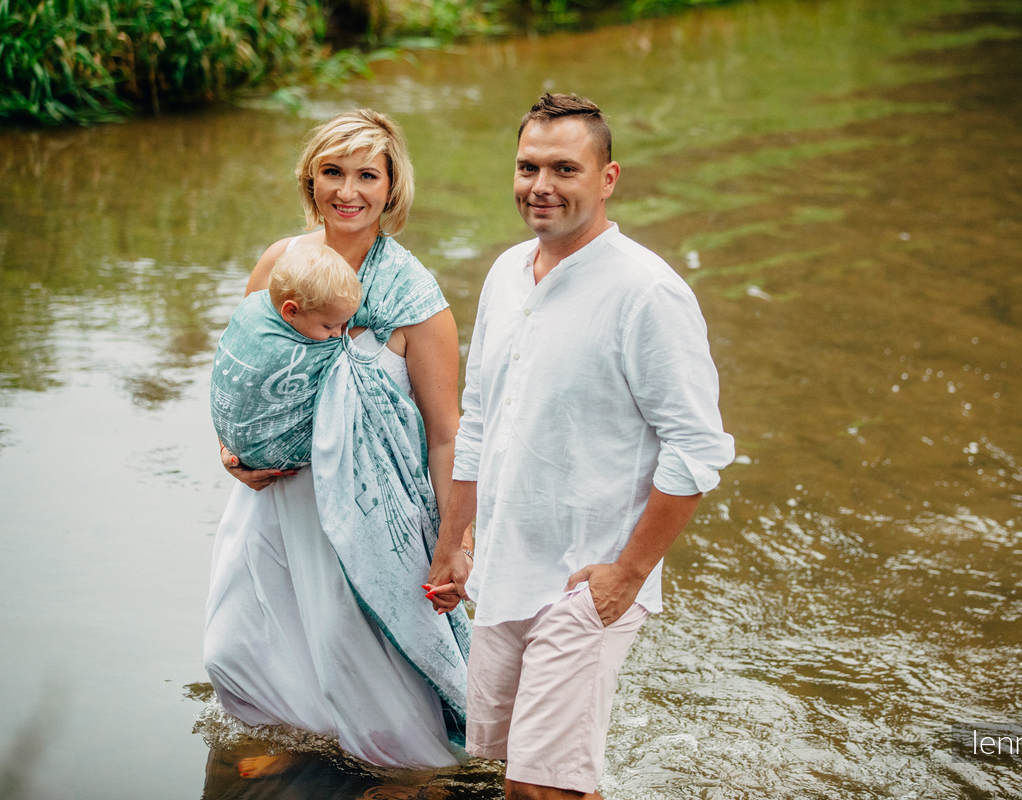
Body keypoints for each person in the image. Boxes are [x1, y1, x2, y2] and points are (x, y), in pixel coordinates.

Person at [425, 93, 735, 799]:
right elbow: (480, 421)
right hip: (505, 569)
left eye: (565, 169)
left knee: (541, 789)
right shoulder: (506, 274)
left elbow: (697, 449)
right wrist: (456, 542)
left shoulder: (647, 293)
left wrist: (627, 574)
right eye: (528, 167)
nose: (541, 186)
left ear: (608, 178)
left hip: (585, 581)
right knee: (518, 774)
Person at [203, 109, 473, 774]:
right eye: (332, 172)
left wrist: (455, 543)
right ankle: (288, 739)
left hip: (367, 510)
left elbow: (447, 435)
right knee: (242, 641)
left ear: (391, 188)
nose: (348, 191)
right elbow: (242, 368)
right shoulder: (281, 264)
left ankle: (415, 775)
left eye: (366, 175)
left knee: (358, 653)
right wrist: (229, 451)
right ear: (311, 180)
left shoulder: (415, 298)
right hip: (277, 497)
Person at [210, 241, 361, 471]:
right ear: (291, 311)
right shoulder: (287, 352)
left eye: (344, 324)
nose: (338, 334)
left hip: (231, 444)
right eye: (329, 326)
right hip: (273, 454)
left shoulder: (251, 307)